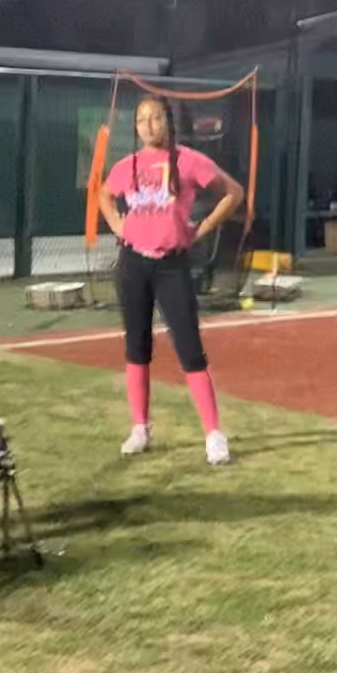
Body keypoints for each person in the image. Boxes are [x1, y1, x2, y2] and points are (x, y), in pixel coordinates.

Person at [97, 94, 246, 465]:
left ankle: (214, 434)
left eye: (156, 118)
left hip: (171, 266)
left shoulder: (188, 160)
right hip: (133, 264)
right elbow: (104, 194)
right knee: (136, 346)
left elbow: (234, 193)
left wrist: (202, 228)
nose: (149, 126)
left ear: (168, 121)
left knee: (190, 348)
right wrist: (117, 224)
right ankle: (140, 427)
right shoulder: (127, 165)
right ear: (135, 127)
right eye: (142, 120)